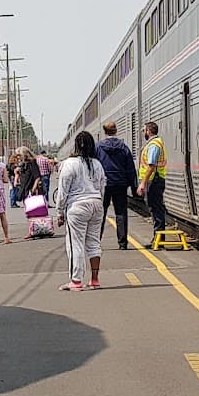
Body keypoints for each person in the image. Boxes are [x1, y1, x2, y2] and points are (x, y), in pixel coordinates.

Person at [53, 132, 108, 291]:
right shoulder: (97, 164)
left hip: (77, 207)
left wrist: (60, 212)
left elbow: (63, 191)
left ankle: (76, 281)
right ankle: (95, 280)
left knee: (75, 244)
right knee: (93, 242)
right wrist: (100, 204)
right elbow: (102, 187)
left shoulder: (69, 164)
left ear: (76, 145)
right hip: (96, 204)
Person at [96, 122, 136, 249]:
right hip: (120, 184)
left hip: (103, 184)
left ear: (104, 132)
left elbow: (94, 165)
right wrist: (133, 185)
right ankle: (123, 243)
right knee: (121, 212)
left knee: (101, 213)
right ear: (116, 131)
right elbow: (130, 167)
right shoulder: (123, 147)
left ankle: (96, 242)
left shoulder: (98, 147)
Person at [137, 121, 169, 233]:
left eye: (144, 131)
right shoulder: (155, 143)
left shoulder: (154, 145)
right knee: (155, 208)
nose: (143, 133)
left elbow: (151, 166)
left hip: (154, 181)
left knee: (156, 209)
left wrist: (142, 183)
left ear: (148, 131)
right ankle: (158, 238)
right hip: (154, 180)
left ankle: (159, 238)